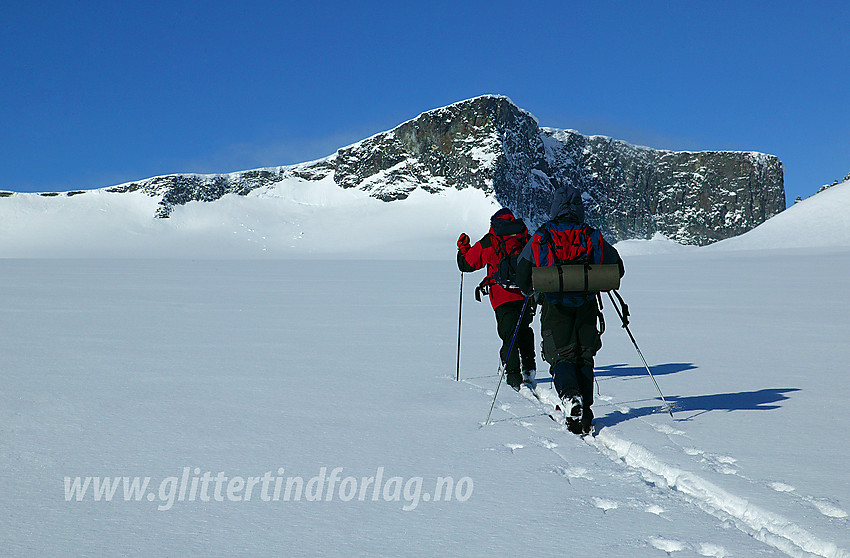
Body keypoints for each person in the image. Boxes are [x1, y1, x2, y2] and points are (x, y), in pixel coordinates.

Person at [516, 184, 624, 435]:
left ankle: (570, 397)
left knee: (561, 357)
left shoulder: (542, 236)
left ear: (555, 207)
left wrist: (533, 289)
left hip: (555, 308)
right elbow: (618, 268)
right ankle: (584, 415)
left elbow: (522, 275)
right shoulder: (591, 235)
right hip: (587, 306)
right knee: (584, 357)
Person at [457, 208, 537, 391]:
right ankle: (529, 368)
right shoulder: (524, 236)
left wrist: (462, 248)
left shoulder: (490, 240)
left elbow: (467, 264)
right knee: (523, 328)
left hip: (501, 296)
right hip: (526, 294)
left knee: (509, 334)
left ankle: (513, 377)